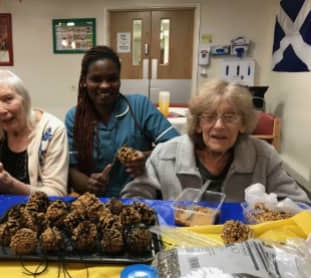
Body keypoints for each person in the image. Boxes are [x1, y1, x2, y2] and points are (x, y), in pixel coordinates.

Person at [121, 79, 310, 203]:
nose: (219, 126)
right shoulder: (165, 154)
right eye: (209, 117)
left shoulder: (264, 156)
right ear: (197, 123)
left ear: (243, 123)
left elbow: (300, 205)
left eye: (229, 117)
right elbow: (134, 198)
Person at [65, 46, 179, 197]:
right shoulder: (75, 117)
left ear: (119, 79)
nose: (105, 85)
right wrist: (88, 184)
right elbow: (71, 169)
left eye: (112, 79)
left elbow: (176, 147)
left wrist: (145, 157)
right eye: (96, 79)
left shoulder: (139, 106)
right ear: (84, 81)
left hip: (140, 197)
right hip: (96, 203)